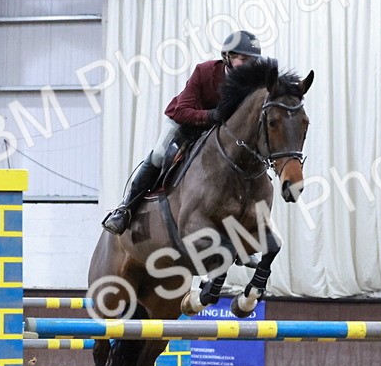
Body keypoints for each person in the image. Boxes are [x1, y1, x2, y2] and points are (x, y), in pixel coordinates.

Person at [101, 29, 262, 235]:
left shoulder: (253, 83)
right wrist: (211, 116)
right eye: (244, 59)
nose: (249, 65)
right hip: (185, 122)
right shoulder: (205, 72)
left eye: (253, 60)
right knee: (159, 155)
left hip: (219, 132)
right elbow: (181, 111)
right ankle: (125, 209)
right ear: (227, 57)